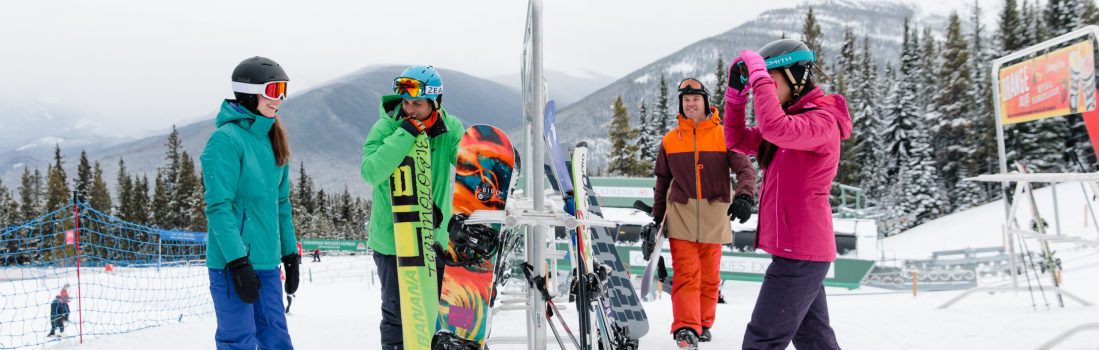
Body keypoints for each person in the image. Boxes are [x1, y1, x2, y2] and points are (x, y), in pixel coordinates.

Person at [724, 39, 852, 350]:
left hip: (801, 254)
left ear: (794, 78)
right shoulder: (792, 120)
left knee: (762, 341)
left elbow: (773, 128)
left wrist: (758, 75)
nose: (763, 92)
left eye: (770, 82)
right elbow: (736, 138)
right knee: (814, 340)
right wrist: (736, 97)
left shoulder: (820, 121)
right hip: (798, 253)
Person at [360, 65, 464, 349]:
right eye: (406, 102)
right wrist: (404, 134)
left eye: (417, 103)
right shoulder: (386, 128)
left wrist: (490, 160)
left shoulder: (449, 128)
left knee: (441, 312)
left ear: (435, 102)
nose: (410, 109)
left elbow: (466, 161)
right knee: (397, 315)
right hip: (393, 242)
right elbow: (371, 171)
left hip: (434, 240)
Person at [201, 56, 300, 349]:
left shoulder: (273, 139)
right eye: (272, 90)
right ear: (248, 92)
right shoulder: (225, 140)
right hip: (232, 264)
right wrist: (237, 261)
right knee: (238, 340)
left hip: (267, 262)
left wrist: (290, 254)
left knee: (275, 338)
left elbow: (281, 203)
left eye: (283, 90)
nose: (279, 98)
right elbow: (218, 207)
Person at [651, 78, 757, 350]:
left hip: (715, 215)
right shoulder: (671, 140)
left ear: (706, 103)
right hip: (681, 216)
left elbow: (746, 170)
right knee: (686, 274)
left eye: (695, 99)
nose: (690, 104)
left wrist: (745, 195)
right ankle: (686, 328)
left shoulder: (724, 135)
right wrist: (657, 219)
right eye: (686, 100)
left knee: (709, 276)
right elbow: (662, 182)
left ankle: (703, 322)